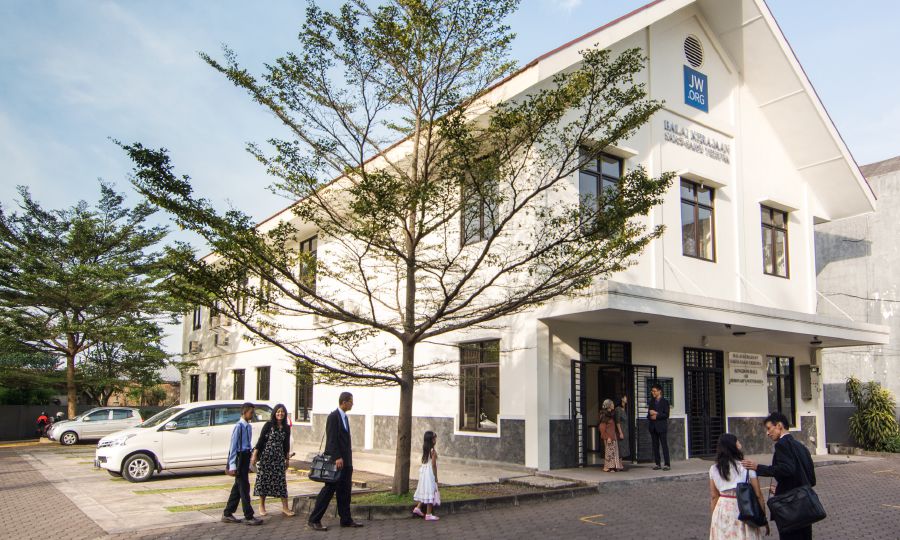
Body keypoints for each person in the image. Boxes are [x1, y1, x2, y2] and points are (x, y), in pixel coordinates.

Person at [742, 411, 817, 540]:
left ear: (779, 426)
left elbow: (787, 469)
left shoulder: (782, 445)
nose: (767, 433)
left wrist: (758, 467)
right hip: (805, 505)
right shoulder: (801, 446)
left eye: (769, 428)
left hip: (790, 506)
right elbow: (811, 478)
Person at [307, 392, 363, 531]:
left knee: (345, 491)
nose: (352, 404)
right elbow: (331, 439)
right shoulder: (333, 417)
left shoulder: (345, 417)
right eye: (351, 401)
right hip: (336, 462)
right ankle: (314, 519)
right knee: (328, 490)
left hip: (346, 462)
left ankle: (346, 519)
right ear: (344, 402)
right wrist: (337, 456)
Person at [708, 433, 767, 539]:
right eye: (737, 441)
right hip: (744, 508)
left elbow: (714, 496)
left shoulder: (714, 469)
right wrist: (763, 517)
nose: (740, 443)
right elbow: (758, 495)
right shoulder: (747, 467)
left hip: (722, 510)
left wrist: (714, 518)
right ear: (734, 446)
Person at [223, 402, 263, 526]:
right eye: (251, 412)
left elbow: (248, 444)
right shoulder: (239, 426)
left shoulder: (248, 427)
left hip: (245, 456)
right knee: (244, 487)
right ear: (244, 412)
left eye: (253, 412)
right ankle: (248, 515)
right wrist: (233, 465)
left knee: (238, 487)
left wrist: (252, 456)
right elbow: (233, 447)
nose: (252, 415)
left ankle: (227, 513)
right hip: (239, 458)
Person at [252, 403, 294, 517]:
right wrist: (255, 455)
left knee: (281, 482)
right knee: (264, 481)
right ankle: (261, 506)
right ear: (274, 413)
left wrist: (287, 459)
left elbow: (286, 445)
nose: (280, 414)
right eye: (278, 412)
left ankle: (285, 508)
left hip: (279, 457)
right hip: (267, 457)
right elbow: (260, 441)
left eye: (282, 412)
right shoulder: (268, 425)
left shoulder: (286, 427)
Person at [412, 430, 441, 521]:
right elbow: (433, 465)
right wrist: (435, 476)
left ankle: (418, 508)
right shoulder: (433, 451)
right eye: (434, 438)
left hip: (423, 472)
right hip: (429, 473)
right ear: (432, 440)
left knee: (425, 490)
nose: (435, 440)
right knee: (430, 491)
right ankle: (428, 514)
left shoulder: (425, 449)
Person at [648, 383, 671, 470]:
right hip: (653, 427)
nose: (652, 392)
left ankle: (667, 464)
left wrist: (656, 414)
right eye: (652, 391)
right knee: (655, 446)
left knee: (664, 445)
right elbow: (648, 414)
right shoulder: (651, 402)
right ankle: (658, 464)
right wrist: (651, 415)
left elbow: (666, 414)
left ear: (659, 391)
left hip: (661, 427)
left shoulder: (665, 402)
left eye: (654, 391)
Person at [599, 399, 623, 472]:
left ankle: (613, 466)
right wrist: (607, 437)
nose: (613, 405)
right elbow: (602, 428)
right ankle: (608, 467)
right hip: (609, 437)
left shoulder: (610, 414)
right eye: (612, 404)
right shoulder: (604, 415)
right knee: (609, 453)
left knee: (613, 452)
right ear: (609, 405)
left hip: (613, 436)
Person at [615, 395, 630, 463]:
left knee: (624, 447)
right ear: (621, 399)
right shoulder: (618, 409)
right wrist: (620, 432)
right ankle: (619, 463)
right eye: (625, 397)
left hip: (625, 430)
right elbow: (617, 422)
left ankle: (620, 463)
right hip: (621, 430)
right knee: (620, 447)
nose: (626, 399)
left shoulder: (625, 409)